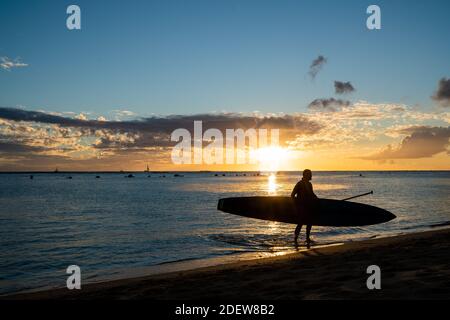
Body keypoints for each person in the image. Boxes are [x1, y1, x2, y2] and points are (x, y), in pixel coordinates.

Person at [291, 169, 318, 244]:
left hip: (309, 207)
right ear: (305, 175)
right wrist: (296, 206)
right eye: (310, 174)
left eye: (311, 174)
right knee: (300, 223)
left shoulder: (309, 184)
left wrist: (318, 200)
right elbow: (292, 195)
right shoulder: (299, 184)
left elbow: (312, 194)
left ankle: (307, 238)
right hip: (301, 207)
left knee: (309, 223)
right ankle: (295, 239)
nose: (311, 176)